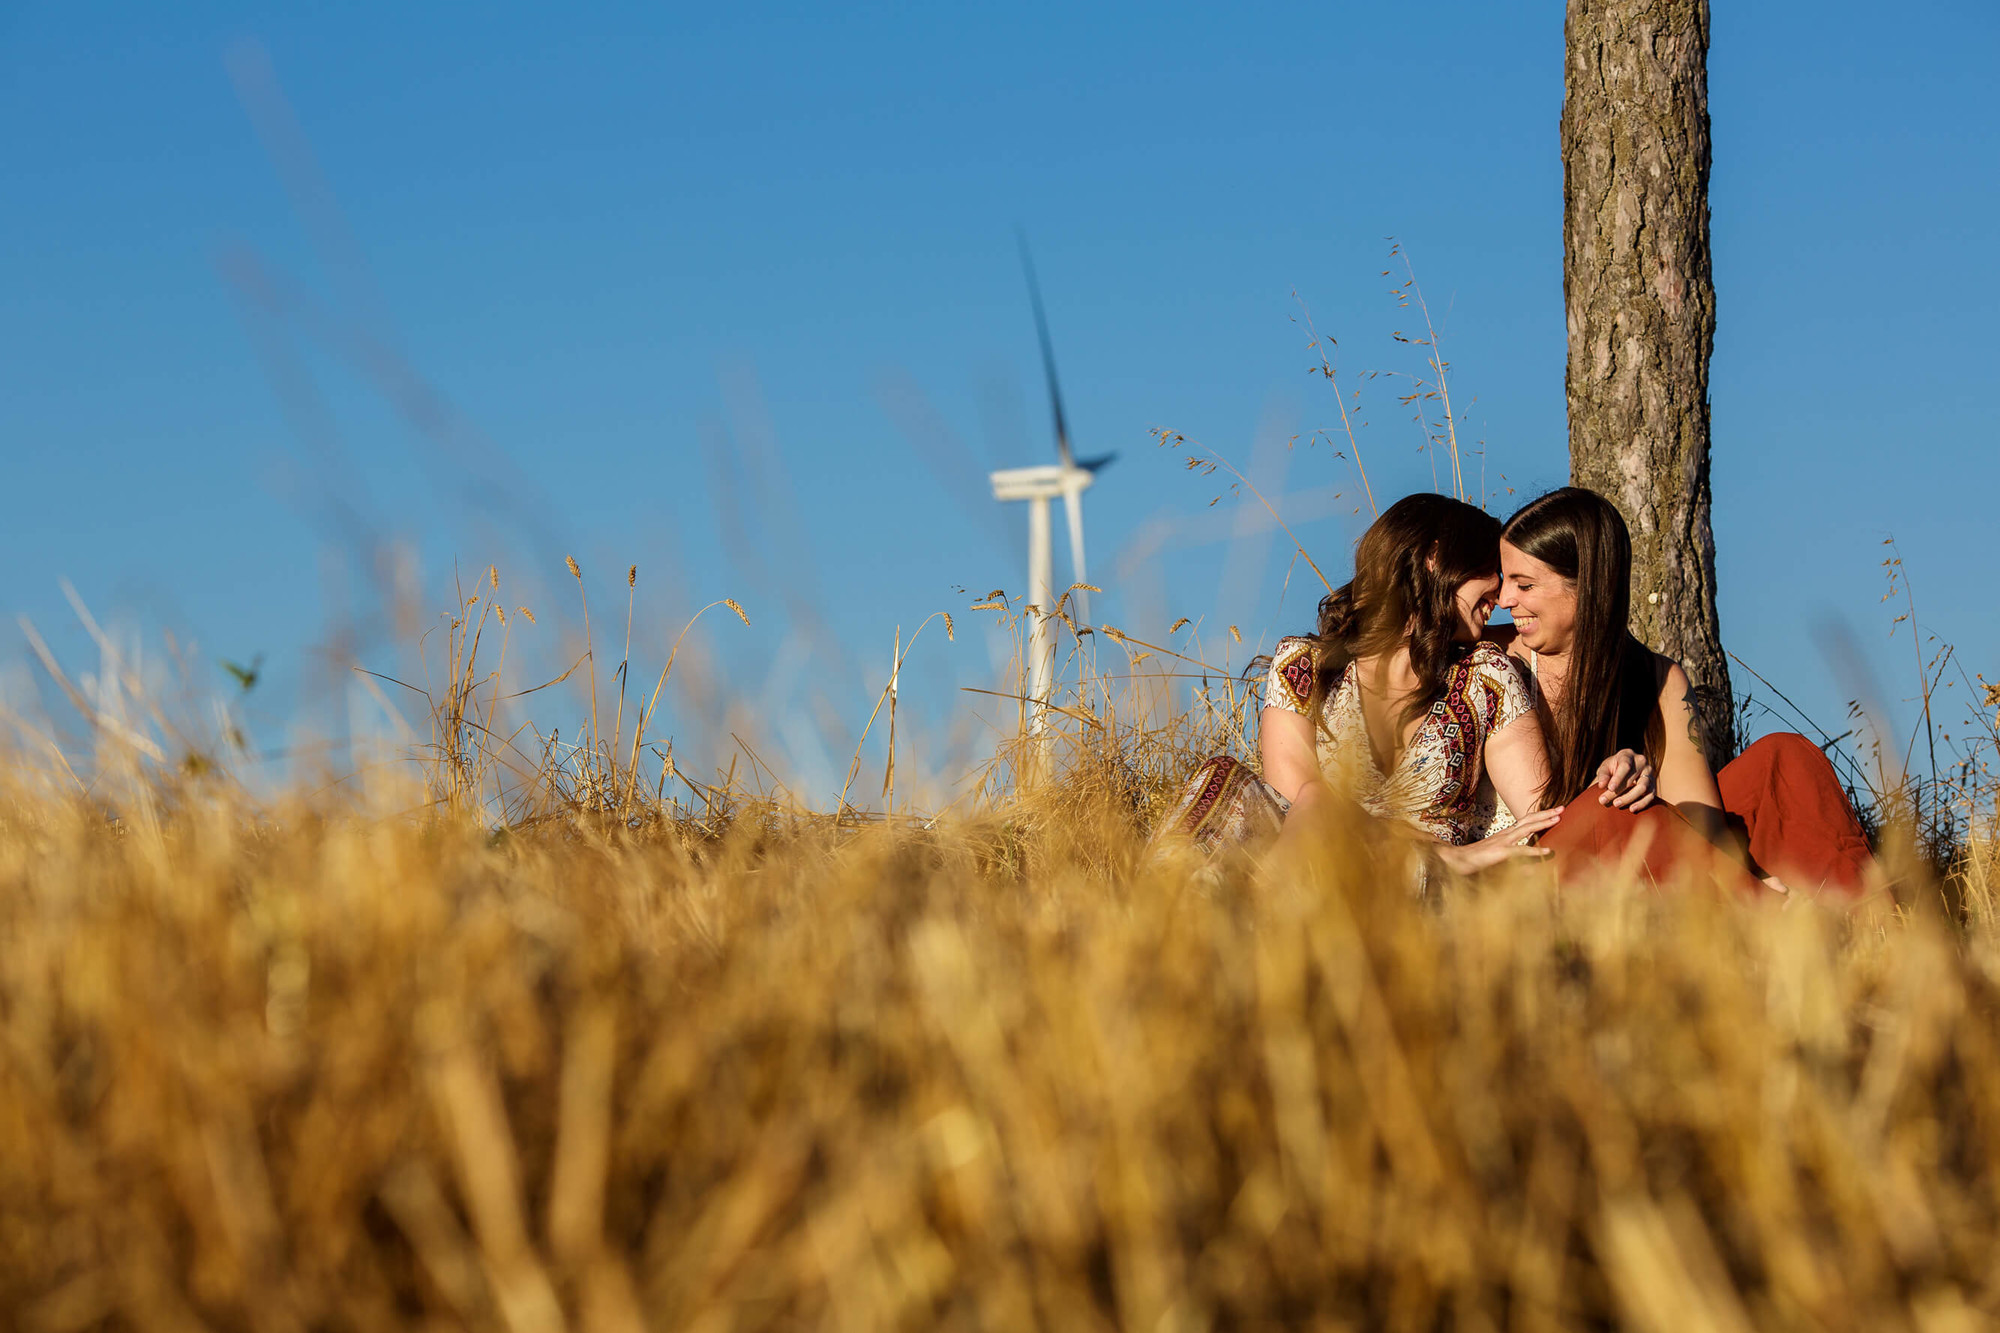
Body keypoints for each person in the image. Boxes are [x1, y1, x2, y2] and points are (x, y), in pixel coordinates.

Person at [1157, 493, 1561, 879]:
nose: (1504, 592)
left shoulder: (1485, 677)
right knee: (1225, 781)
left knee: (1318, 802)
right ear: (1435, 559)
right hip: (1315, 875)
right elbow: (1291, 809)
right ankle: (1171, 917)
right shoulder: (1305, 669)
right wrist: (1438, 851)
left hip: (1422, 889)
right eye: (1492, 568)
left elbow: (1541, 816)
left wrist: (1621, 767)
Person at [1491, 487, 1872, 895]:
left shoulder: (1655, 676)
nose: (1503, 599)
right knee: (1613, 803)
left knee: (1784, 759)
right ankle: (1766, 916)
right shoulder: (1493, 661)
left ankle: (1872, 930)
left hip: (1652, 860)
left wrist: (1648, 791)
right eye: (1505, 580)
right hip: (1545, 872)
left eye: (1524, 585)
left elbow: (1703, 825)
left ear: (1588, 585)